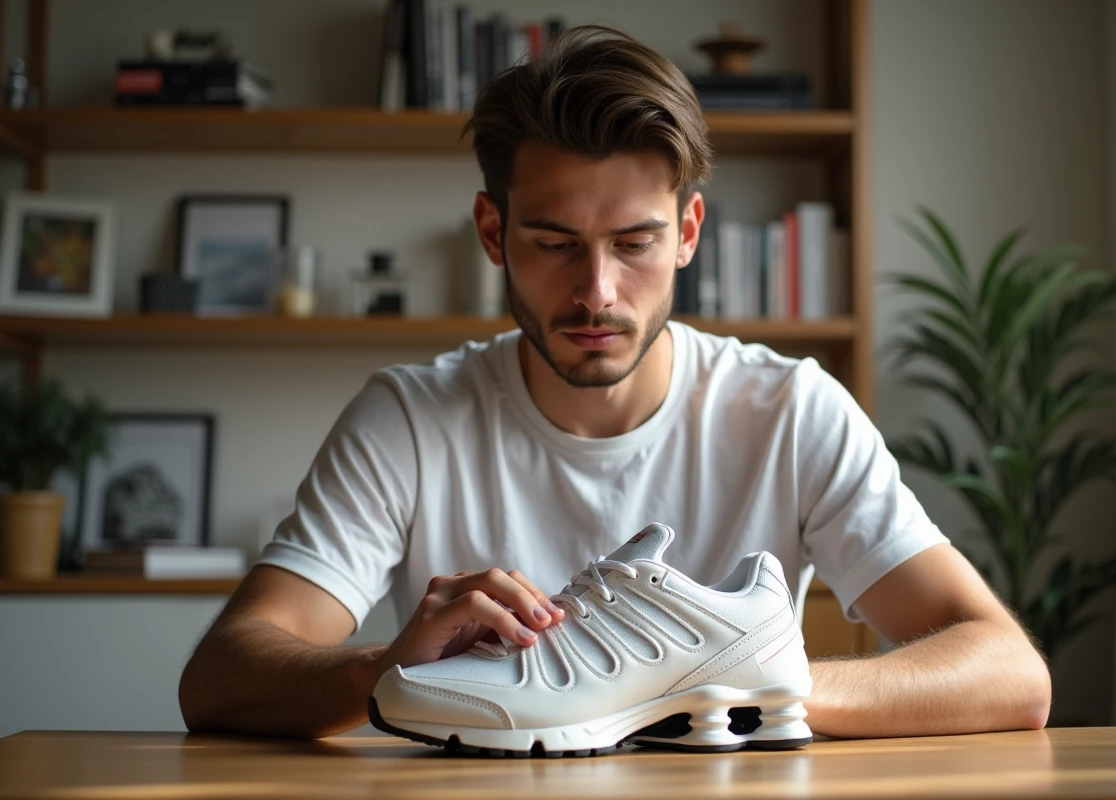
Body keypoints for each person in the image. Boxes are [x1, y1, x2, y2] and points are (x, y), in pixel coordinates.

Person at [178, 26, 1051, 740]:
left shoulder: (789, 410)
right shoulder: (408, 418)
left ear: (687, 232)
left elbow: (1009, 672)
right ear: (493, 232)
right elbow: (219, 678)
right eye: (555, 243)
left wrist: (731, 685)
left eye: (633, 243)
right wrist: (388, 665)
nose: (597, 291)